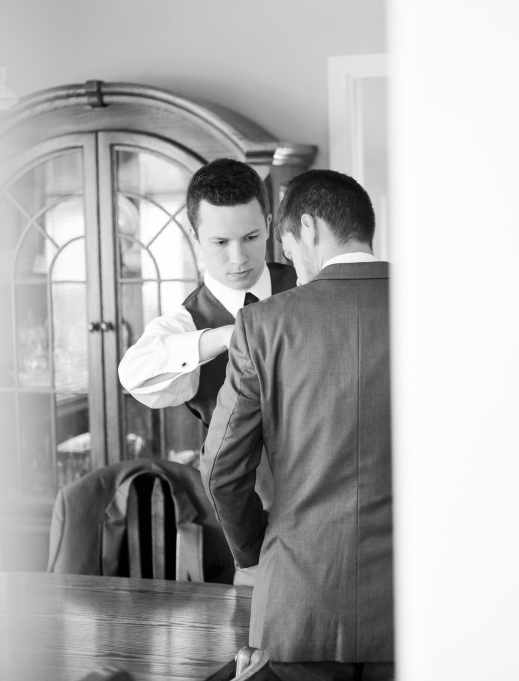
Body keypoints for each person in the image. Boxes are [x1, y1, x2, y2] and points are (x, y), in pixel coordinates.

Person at [201, 169, 393, 680]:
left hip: (297, 600)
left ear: (307, 228)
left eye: (286, 249)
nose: (291, 265)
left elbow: (220, 467)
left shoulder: (262, 324)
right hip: (416, 605)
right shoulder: (440, 312)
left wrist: (261, 549)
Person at [117, 158, 296, 430]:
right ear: (195, 236)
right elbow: (133, 375)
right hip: (238, 472)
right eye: (221, 242)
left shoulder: (307, 285)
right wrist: (223, 337)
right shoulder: (186, 321)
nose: (238, 259)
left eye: (250, 237)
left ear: (269, 225)